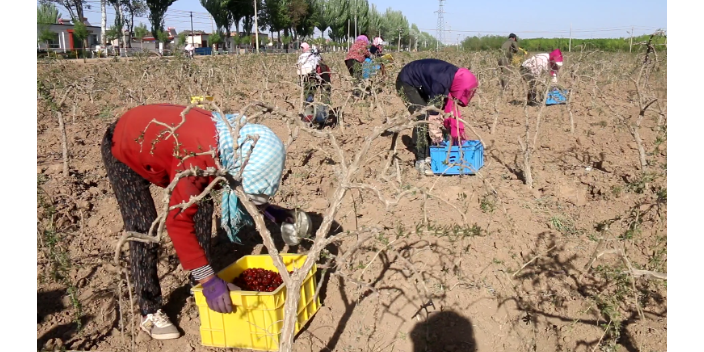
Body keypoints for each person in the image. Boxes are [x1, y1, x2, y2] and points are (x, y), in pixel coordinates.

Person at [101, 104, 300, 340]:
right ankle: (150, 309)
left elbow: (241, 185)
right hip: (124, 145)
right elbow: (178, 221)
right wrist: (211, 281)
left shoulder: (234, 140)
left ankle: (199, 278)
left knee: (202, 205)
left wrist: (269, 211)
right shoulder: (198, 157)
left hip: (164, 145)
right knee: (144, 227)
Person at [395, 59, 479, 176]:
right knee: (423, 117)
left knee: (433, 114)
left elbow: (439, 107)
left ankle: (431, 153)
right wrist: (435, 129)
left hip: (420, 84)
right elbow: (433, 112)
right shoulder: (442, 81)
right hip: (406, 83)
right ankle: (421, 160)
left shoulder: (453, 78)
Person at [297, 43, 332, 127]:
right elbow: (326, 77)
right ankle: (321, 119)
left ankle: (309, 118)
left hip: (306, 78)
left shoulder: (301, 58)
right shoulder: (318, 59)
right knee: (324, 97)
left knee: (308, 97)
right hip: (319, 77)